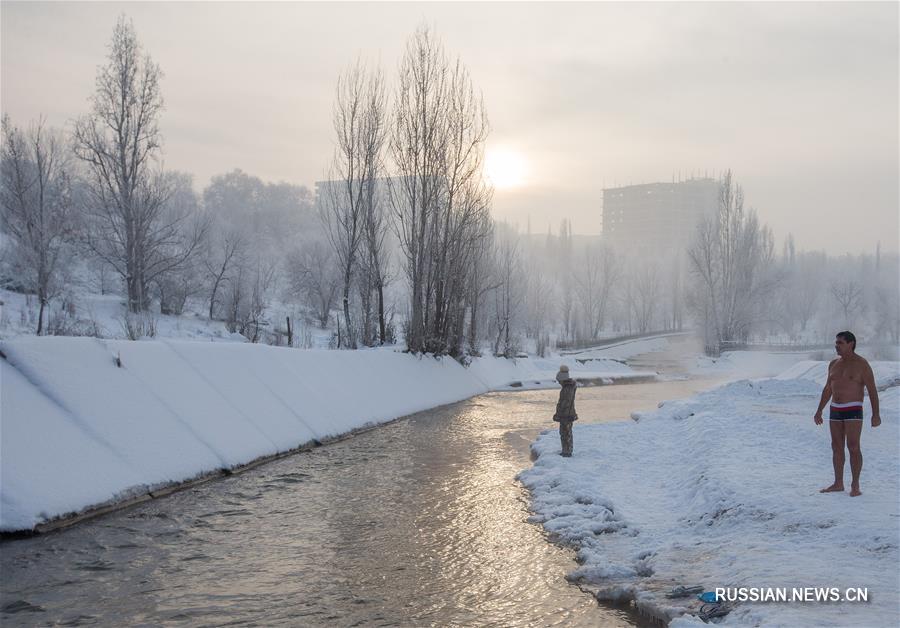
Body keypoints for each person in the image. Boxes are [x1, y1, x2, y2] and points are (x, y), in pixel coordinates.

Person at [814, 331, 881, 497]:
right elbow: (828, 388)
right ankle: (838, 483)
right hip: (835, 409)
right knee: (836, 447)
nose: (836, 346)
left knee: (853, 446)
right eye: (836, 343)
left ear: (851, 344)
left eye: (840, 343)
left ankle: (855, 485)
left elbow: (872, 390)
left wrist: (876, 414)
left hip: (853, 409)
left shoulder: (862, 364)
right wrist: (819, 409)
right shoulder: (833, 364)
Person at [553, 365, 578, 457]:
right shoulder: (569, 387)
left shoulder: (567, 389)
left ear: (562, 379)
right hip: (568, 414)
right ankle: (567, 450)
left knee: (565, 433)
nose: (559, 382)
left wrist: (558, 414)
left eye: (559, 380)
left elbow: (564, 403)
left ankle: (566, 452)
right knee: (566, 432)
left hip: (566, 415)